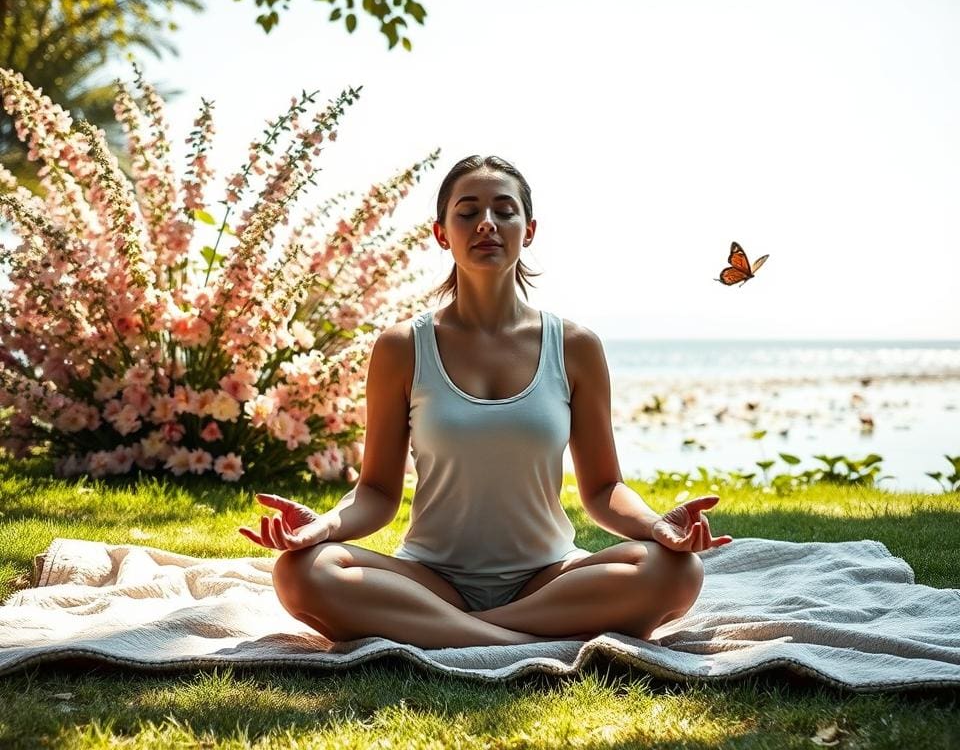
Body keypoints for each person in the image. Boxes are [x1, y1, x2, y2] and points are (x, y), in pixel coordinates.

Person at [239, 154, 733, 648]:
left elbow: (604, 489)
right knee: (302, 571)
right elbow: (377, 494)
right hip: (430, 580)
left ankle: (452, 632)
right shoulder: (402, 347)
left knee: (676, 570)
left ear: (530, 229)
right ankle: (518, 640)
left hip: (548, 577)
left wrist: (655, 526)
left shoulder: (576, 346)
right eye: (468, 212)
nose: (487, 224)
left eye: (504, 210)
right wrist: (323, 528)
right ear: (441, 232)